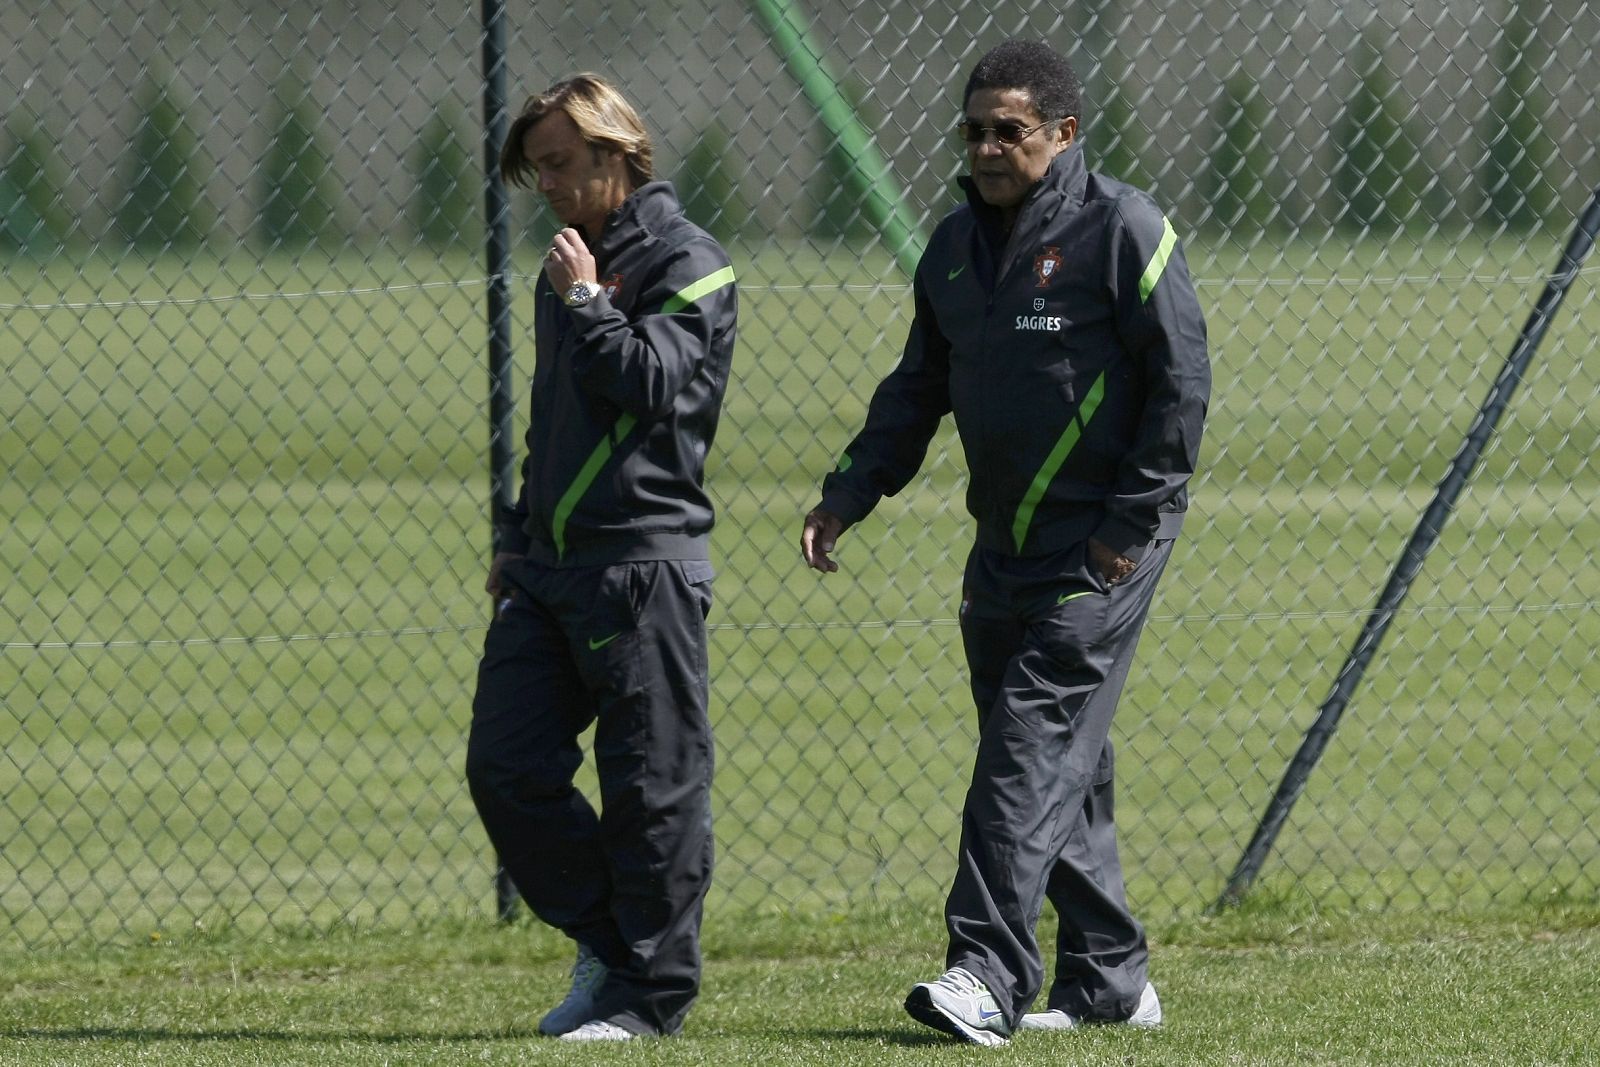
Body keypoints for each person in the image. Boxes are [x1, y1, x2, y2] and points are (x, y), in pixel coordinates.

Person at [801, 39, 1208, 1047]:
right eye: (974, 130)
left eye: (1009, 131)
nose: (986, 147)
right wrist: (850, 491)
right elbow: (918, 387)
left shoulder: (1123, 229)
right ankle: (1110, 976)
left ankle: (983, 970)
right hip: (1002, 545)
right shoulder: (950, 246)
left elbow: (1180, 385)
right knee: (1048, 761)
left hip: (1100, 544)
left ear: (1063, 133)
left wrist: (1126, 528)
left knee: (1024, 750)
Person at [466, 73, 737, 1043]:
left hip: (643, 567)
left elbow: (651, 383)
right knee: (505, 766)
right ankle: (614, 946)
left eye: (558, 164)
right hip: (549, 569)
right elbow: (555, 422)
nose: (544, 185)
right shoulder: (570, 265)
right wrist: (515, 534)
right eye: (533, 169)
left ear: (615, 151)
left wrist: (585, 300)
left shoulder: (690, 262)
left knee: (653, 793)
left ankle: (648, 997)